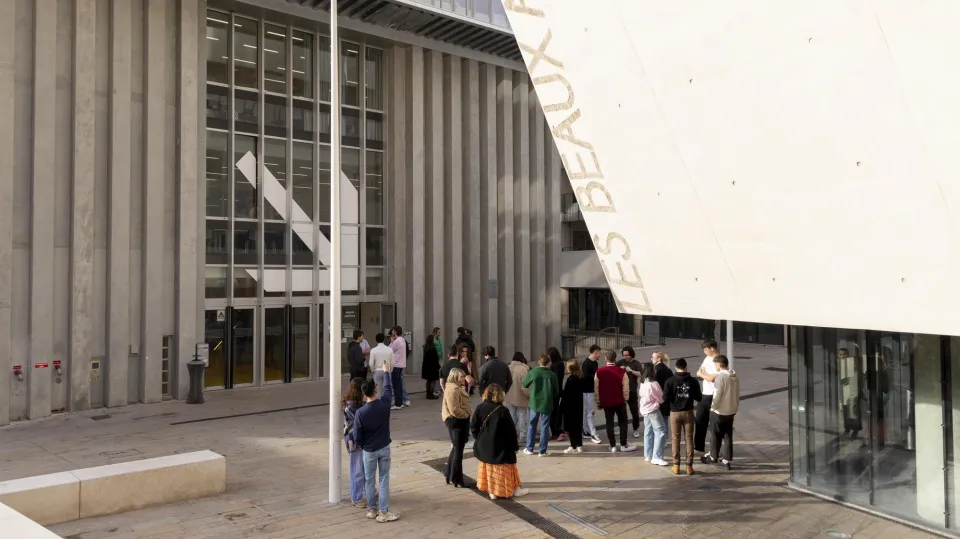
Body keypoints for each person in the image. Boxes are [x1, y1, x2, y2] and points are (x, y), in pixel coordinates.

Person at [354, 363, 399, 522]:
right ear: (375, 390)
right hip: (384, 446)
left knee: (369, 479)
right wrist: (386, 373)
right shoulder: (384, 405)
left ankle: (372, 510)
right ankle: (384, 512)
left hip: (369, 450)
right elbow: (388, 390)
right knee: (384, 478)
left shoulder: (360, 412)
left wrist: (364, 445)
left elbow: (357, 435)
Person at [471, 384, 530, 500]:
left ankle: (491, 491)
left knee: (488, 467)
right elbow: (511, 431)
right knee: (507, 467)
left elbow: (473, 426)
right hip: (501, 447)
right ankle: (513, 489)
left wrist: (480, 437)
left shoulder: (480, 407)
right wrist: (515, 446)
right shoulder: (503, 410)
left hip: (484, 446)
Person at [663, 358, 703, 475]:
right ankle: (689, 466)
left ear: (676, 367)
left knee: (675, 439)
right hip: (688, 412)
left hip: (674, 413)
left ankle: (676, 465)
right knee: (689, 439)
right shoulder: (693, 381)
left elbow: (665, 399)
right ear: (686, 367)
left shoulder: (670, 381)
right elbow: (699, 398)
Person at [594, 349, 638, 453]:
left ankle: (612, 445)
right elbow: (625, 388)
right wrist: (625, 398)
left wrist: (598, 402)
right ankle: (623, 444)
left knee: (609, 423)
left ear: (605, 359)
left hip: (606, 402)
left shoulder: (599, 372)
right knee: (623, 422)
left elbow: (596, 389)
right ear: (615, 359)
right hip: (619, 401)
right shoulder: (621, 372)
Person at [703, 355, 740, 470]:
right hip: (731, 410)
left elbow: (717, 394)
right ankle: (726, 460)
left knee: (715, 434)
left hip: (719, 411)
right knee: (728, 435)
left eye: (715, 364)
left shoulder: (720, 377)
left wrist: (713, 407)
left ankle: (713, 456)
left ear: (719, 364)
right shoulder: (734, 376)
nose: (715, 366)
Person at [522, 354, 560, 456]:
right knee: (545, 426)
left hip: (535, 402)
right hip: (547, 403)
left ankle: (529, 448)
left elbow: (525, 384)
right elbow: (556, 391)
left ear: (539, 361)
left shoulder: (533, 372)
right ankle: (542, 451)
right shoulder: (552, 375)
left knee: (532, 425)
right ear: (548, 363)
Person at [442, 369, 473, 487]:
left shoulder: (455, 387)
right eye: (461, 377)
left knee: (456, 448)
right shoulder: (453, 389)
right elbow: (454, 409)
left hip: (456, 420)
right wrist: (466, 414)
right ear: (455, 377)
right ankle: (457, 479)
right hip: (456, 421)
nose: (463, 379)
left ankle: (449, 473)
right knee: (458, 451)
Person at [343, 377, 367, 507]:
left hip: (358, 439)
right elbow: (361, 419)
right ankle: (356, 497)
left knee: (364, 467)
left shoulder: (354, 403)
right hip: (354, 440)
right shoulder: (352, 405)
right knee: (357, 469)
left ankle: (368, 491)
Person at [639, 364, 668, 466]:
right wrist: (660, 401)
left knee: (648, 431)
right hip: (653, 410)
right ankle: (657, 456)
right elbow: (660, 397)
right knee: (660, 431)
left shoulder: (643, 382)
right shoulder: (654, 384)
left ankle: (648, 454)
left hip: (645, 409)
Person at [694, 339, 720, 454]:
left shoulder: (718, 360)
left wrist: (702, 374)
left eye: (706, 349)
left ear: (712, 348)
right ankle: (699, 446)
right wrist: (703, 374)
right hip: (705, 394)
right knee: (699, 420)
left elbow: (712, 378)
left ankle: (715, 449)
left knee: (714, 422)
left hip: (713, 394)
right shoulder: (707, 358)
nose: (704, 351)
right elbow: (699, 371)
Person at [618, 346, 644, 439]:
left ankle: (635, 429)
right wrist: (619, 369)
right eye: (624, 355)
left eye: (627, 355)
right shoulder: (620, 362)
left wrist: (631, 371)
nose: (625, 357)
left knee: (634, 411)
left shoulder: (636, 363)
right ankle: (621, 428)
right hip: (621, 390)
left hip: (632, 390)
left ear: (631, 354)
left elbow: (641, 374)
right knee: (620, 411)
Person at [505, 352, 531, 443]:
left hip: (509, 396)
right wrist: (529, 395)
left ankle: (510, 433)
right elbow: (525, 385)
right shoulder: (523, 369)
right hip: (521, 396)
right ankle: (522, 436)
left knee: (512, 415)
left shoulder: (508, 367)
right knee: (522, 416)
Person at [560, 360, 584, 454]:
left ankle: (573, 446)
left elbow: (566, 394)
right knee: (578, 426)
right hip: (578, 405)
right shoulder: (580, 377)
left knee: (571, 427)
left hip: (570, 406)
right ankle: (579, 445)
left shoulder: (571, 379)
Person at [581, 345, 603, 445]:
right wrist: (596, 376)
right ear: (595, 352)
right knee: (591, 412)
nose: (600, 354)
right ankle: (593, 433)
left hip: (593, 390)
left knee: (588, 411)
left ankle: (586, 430)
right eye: (599, 352)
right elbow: (585, 376)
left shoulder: (595, 363)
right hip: (587, 391)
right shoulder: (586, 363)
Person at [547, 347, 566, 440]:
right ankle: (556, 430)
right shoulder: (560, 363)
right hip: (558, 391)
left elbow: (556, 379)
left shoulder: (555, 365)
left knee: (554, 412)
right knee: (555, 411)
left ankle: (555, 431)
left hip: (555, 392)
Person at [652, 351, 672, 438]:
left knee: (656, 420)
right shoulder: (668, 370)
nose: (651, 359)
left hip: (657, 398)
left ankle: (659, 438)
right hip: (666, 398)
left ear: (659, 359)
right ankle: (665, 438)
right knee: (664, 419)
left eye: (653, 357)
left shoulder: (656, 370)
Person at [389, 326, 409, 410]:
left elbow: (390, 350)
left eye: (393, 330)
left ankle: (398, 404)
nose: (392, 332)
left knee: (396, 385)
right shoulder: (402, 340)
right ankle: (401, 402)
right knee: (399, 384)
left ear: (396, 332)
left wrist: (392, 341)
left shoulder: (396, 341)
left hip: (396, 365)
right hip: (401, 365)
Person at [369, 334, 393, 398]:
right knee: (387, 389)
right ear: (384, 339)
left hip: (377, 370)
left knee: (378, 391)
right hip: (387, 371)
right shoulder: (389, 349)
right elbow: (392, 362)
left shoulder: (373, 350)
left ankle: (378, 405)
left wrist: (372, 370)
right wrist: (391, 370)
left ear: (376, 340)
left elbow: (371, 363)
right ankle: (388, 404)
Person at [421, 334, 441, 400]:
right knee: (432, 381)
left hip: (426, 367)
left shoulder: (426, 348)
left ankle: (427, 393)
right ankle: (431, 394)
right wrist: (438, 366)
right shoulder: (433, 349)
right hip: (433, 367)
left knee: (428, 380)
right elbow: (435, 359)